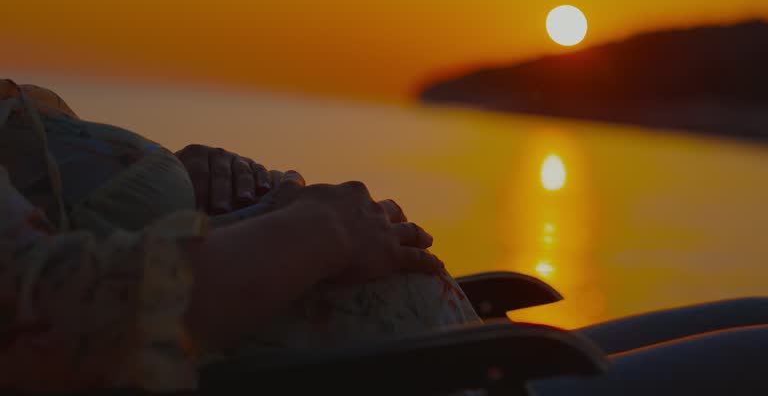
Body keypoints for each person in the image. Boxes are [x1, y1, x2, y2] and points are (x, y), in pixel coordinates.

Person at [1, 79, 767, 395]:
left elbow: (66, 225)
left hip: (437, 352)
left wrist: (176, 176)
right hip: (392, 377)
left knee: (754, 315)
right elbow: (65, 316)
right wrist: (327, 227)